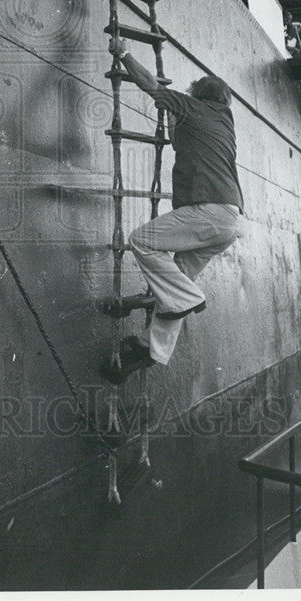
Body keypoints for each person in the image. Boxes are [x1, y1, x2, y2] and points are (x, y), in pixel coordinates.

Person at [100, 36, 243, 383]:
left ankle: (190, 298)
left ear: (198, 96)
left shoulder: (195, 107)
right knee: (173, 285)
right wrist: (176, 119)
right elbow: (181, 141)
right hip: (229, 222)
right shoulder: (224, 122)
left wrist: (125, 54)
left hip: (207, 214)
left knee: (143, 241)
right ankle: (153, 350)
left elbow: (152, 87)